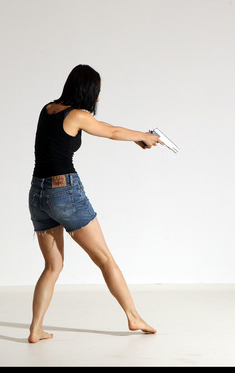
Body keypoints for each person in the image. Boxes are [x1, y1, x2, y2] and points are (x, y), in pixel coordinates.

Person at [28, 64, 160, 343]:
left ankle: (35, 329)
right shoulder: (77, 115)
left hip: (37, 194)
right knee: (104, 259)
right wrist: (144, 136)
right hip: (64, 193)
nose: (98, 98)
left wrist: (136, 138)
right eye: (97, 92)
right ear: (87, 91)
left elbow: (86, 134)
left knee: (52, 266)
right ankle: (133, 316)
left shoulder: (48, 109)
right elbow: (110, 131)